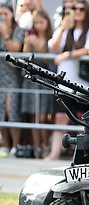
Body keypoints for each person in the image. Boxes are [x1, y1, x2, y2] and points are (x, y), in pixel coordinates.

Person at [46, 0, 89, 160]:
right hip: (65, 83)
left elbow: (88, 49)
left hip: (84, 84)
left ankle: (82, 154)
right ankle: (54, 153)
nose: (77, 11)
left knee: (83, 118)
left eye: (82, 9)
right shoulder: (66, 30)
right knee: (60, 117)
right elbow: (53, 47)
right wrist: (62, 27)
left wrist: (67, 54)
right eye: (74, 8)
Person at [21, 10, 54, 158]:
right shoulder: (30, 37)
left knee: (43, 116)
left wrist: (38, 44)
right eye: (36, 23)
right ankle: (37, 146)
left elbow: (48, 60)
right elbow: (26, 59)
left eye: (41, 22)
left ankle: (46, 143)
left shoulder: (50, 38)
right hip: (32, 81)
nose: (39, 25)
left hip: (45, 80)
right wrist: (28, 44)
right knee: (33, 114)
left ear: (47, 23)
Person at [0, 3, 26, 157]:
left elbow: (15, 49)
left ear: (12, 15)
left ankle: (16, 146)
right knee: (1, 111)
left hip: (13, 76)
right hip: (0, 75)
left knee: (12, 110)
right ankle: (5, 144)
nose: (2, 16)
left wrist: (5, 34)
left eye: (5, 13)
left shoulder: (18, 31)